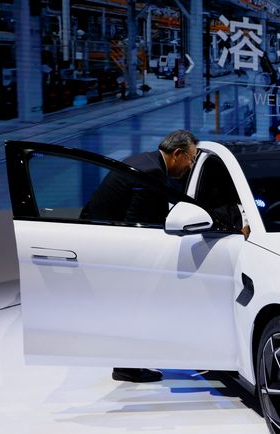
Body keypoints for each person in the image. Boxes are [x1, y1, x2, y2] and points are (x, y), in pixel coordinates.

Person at [81, 130, 199, 383]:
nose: (191, 166)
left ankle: (126, 362)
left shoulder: (144, 160)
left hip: (99, 235)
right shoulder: (152, 173)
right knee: (133, 303)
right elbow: (138, 223)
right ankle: (127, 366)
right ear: (177, 154)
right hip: (114, 249)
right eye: (191, 159)